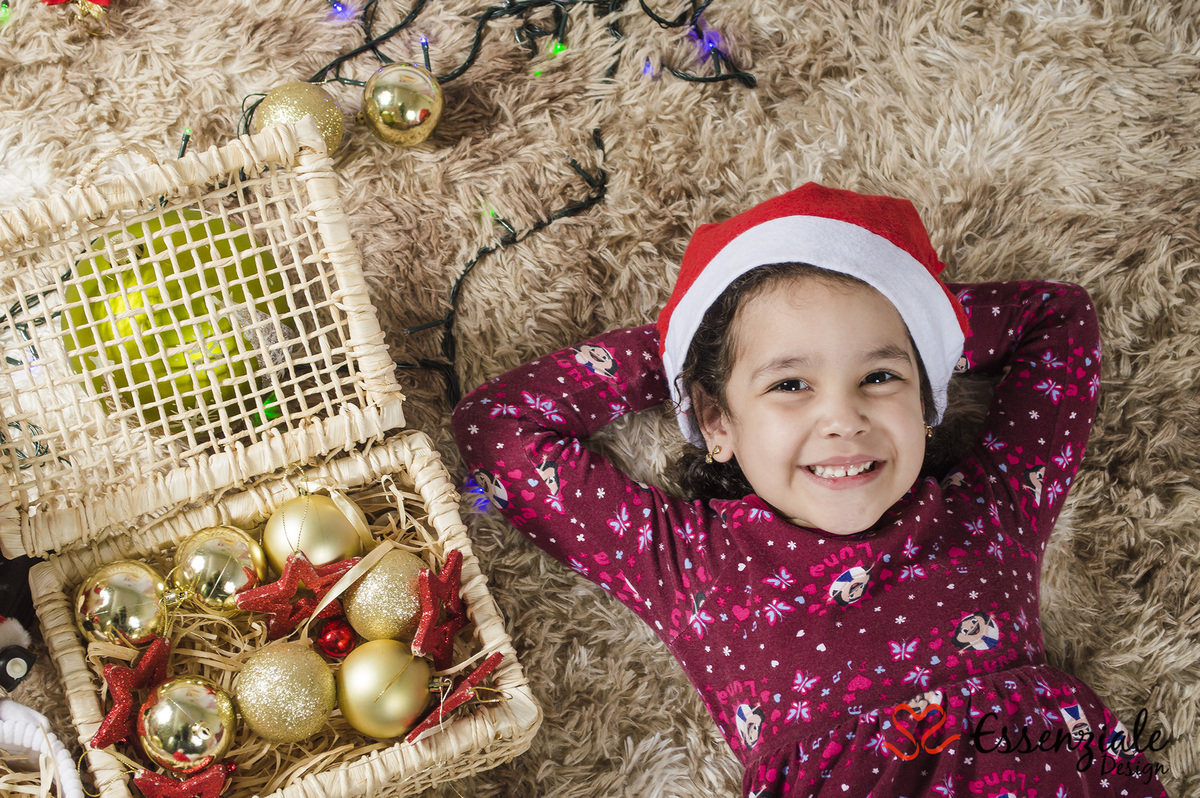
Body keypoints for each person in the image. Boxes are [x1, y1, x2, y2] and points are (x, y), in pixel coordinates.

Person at [452, 183, 1169, 796]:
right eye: (790, 383)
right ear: (714, 419)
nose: (843, 418)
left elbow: (1059, 317)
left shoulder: (991, 510)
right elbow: (499, 428)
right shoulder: (688, 560)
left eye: (881, 377)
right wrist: (696, 342)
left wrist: (916, 324)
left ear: (927, 398)